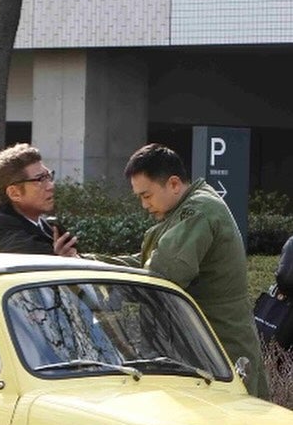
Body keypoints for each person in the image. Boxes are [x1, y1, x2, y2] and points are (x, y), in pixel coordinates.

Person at [114, 143, 269, 399]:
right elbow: (145, 264)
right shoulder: (187, 209)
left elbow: (160, 277)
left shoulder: (198, 211)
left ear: (174, 184)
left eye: (147, 195)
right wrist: (85, 260)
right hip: (210, 353)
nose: (144, 204)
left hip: (221, 356)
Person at [0, 143, 78, 256]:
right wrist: (59, 257)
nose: (51, 186)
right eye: (40, 179)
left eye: (48, 176)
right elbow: (31, 259)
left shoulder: (49, 226)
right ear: (14, 193)